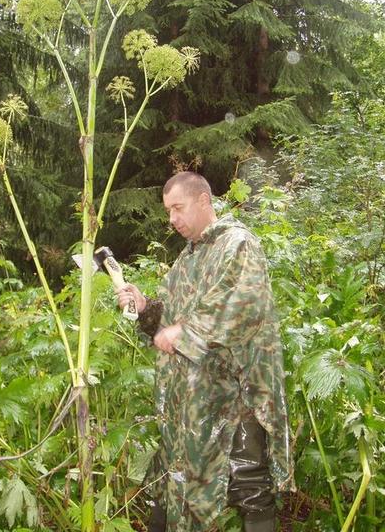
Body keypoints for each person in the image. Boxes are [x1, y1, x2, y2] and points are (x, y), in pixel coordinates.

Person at [117, 172, 294, 532]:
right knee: (174, 478)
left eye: (178, 208)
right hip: (193, 400)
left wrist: (184, 332)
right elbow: (170, 318)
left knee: (247, 482)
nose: (172, 219)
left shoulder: (238, 244)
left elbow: (242, 302)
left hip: (235, 392)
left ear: (203, 201)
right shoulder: (187, 260)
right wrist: (147, 308)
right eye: (168, 211)